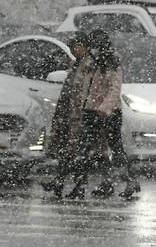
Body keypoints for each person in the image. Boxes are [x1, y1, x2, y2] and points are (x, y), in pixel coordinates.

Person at [68, 29, 140, 200]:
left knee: (115, 149)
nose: (91, 51)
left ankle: (129, 181)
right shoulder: (92, 65)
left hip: (109, 113)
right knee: (88, 151)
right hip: (90, 112)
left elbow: (114, 91)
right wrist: (81, 107)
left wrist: (103, 108)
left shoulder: (112, 66)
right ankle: (85, 184)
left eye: (94, 47)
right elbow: (85, 89)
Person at [42, 32, 92, 198]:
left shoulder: (89, 66)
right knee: (67, 151)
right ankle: (61, 182)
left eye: (77, 47)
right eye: (73, 47)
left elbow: (85, 91)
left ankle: (69, 184)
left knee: (76, 153)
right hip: (67, 113)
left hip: (79, 115)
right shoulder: (76, 65)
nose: (74, 50)